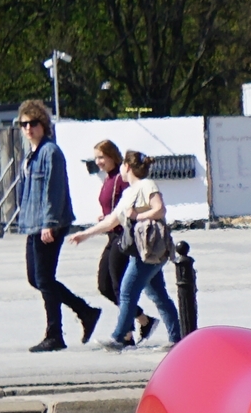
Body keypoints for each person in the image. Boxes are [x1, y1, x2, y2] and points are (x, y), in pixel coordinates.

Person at [70, 149, 179, 351]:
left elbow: (160, 209)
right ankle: (177, 338)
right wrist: (85, 235)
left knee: (127, 292)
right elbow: (112, 221)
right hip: (142, 249)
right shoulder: (129, 192)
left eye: (122, 164)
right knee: (158, 295)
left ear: (127, 167)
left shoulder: (146, 185)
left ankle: (119, 337)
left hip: (149, 248)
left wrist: (137, 216)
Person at [14, 99, 96, 351]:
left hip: (49, 223)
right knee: (36, 278)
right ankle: (85, 311)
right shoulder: (32, 154)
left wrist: (49, 223)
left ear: (43, 124)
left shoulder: (51, 152)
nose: (28, 128)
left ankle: (55, 335)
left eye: (33, 123)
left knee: (45, 278)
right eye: (24, 124)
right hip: (33, 223)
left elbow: (54, 190)